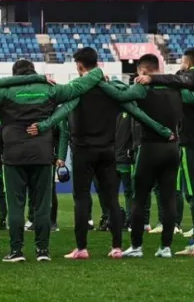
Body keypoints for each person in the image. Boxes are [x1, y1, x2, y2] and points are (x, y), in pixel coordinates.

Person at [0, 58, 120, 263]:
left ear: (15, 74)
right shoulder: (50, 89)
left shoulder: (6, 91)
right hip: (42, 154)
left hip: (13, 155)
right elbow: (78, 87)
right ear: (33, 71)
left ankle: (16, 251)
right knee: (42, 205)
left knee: (16, 205)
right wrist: (96, 74)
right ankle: (43, 251)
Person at [53, 48, 173, 260]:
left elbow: (61, 116)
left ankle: (81, 248)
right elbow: (138, 113)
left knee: (81, 199)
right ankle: (117, 247)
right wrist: (164, 130)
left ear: (80, 66)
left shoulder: (75, 91)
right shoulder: (110, 90)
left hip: (82, 151)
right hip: (108, 151)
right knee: (111, 200)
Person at [118, 52, 194, 258]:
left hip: (149, 147)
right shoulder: (177, 88)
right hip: (173, 147)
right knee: (169, 197)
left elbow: (123, 98)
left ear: (143, 71)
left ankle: (136, 246)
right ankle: (166, 247)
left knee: (140, 197)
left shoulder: (143, 87)